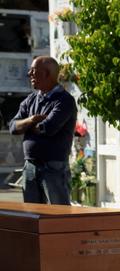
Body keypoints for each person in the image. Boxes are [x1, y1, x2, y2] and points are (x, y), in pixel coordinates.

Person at [9, 56, 76, 205]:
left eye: (33, 71)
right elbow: (13, 127)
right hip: (30, 167)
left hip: (53, 167)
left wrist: (25, 126)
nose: (29, 74)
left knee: (58, 215)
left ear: (47, 73)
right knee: (32, 216)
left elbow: (48, 128)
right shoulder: (30, 100)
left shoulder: (64, 100)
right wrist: (32, 120)